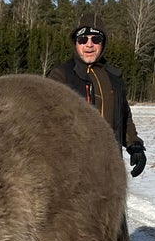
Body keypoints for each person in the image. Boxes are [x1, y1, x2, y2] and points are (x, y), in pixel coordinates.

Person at [47, 15, 146, 176]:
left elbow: (124, 116)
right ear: (75, 42)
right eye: (83, 39)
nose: (89, 45)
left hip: (109, 167)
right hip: (71, 171)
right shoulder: (61, 76)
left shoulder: (114, 77)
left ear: (103, 43)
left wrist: (135, 146)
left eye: (96, 39)